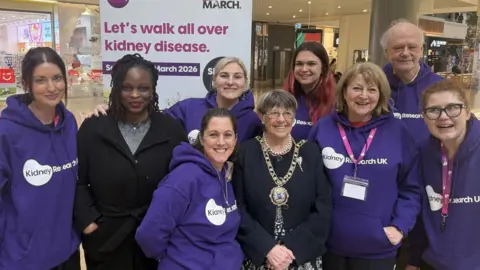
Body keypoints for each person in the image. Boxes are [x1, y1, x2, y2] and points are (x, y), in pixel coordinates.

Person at [74, 53, 187, 270]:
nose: (135, 95)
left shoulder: (171, 130)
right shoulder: (94, 128)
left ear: (153, 89)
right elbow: (77, 180)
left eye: (143, 88)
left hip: (155, 234)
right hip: (106, 237)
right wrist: (89, 222)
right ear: (116, 88)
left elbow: (183, 181)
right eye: (127, 88)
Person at [308, 62, 421, 270]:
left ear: (381, 94)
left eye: (372, 89)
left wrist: (400, 226)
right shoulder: (324, 128)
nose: (364, 96)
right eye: (357, 88)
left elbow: (411, 188)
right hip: (327, 244)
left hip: (377, 248)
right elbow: (306, 183)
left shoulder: (397, 131)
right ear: (344, 92)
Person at [0, 47, 80, 269]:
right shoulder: (6, 132)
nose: (52, 87)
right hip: (23, 258)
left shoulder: (70, 122)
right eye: (41, 80)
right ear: (27, 83)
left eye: (57, 78)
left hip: (67, 252)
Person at [233, 89, 332, 270]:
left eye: (287, 113)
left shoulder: (310, 152)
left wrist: (290, 248)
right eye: (274, 113)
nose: (281, 119)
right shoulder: (245, 152)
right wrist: (267, 248)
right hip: (259, 256)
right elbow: (238, 208)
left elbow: (323, 208)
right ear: (262, 117)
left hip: (300, 256)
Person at [136, 108, 243, 270]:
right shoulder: (184, 178)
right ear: (201, 138)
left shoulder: (224, 175)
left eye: (227, 135)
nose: (221, 142)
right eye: (213, 134)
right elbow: (148, 234)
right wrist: (176, 260)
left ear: (235, 140)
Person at [89, 57, 262, 144]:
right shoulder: (189, 107)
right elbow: (149, 119)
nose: (230, 81)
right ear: (214, 81)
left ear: (245, 83)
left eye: (237, 77)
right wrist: (111, 110)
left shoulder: (253, 121)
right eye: (224, 75)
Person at [406, 80, 480, 270]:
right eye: (433, 110)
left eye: (452, 108)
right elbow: (420, 213)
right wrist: (413, 261)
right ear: (423, 117)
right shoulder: (422, 154)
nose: (443, 117)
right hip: (434, 262)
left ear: (467, 111)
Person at [381, 19, 444, 145]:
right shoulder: (374, 84)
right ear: (386, 52)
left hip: (426, 163)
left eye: (412, 47)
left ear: (421, 50)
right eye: (398, 48)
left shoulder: (441, 87)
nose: (405, 53)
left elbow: (463, 127)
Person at [283, 41, 336, 141]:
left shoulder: (336, 103)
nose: (304, 69)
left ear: (323, 68)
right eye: (299, 64)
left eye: (311, 64)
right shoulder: (283, 99)